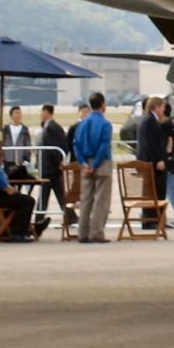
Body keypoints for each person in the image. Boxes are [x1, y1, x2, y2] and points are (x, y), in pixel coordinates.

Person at [72, 92, 113, 243]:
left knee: (86, 199)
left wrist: (83, 163)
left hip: (85, 162)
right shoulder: (105, 124)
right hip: (101, 162)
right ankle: (96, 232)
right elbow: (104, 145)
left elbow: (76, 144)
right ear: (103, 105)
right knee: (101, 200)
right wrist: (95, 164)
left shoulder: (82, 123)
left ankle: (82, 232)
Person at [0, 151, 48, 242]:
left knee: (16, 200)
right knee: (27, 201)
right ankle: (18, 233)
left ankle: (11, 230)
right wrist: (6, 187)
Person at [135, 96, 168, 230]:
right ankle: (152, 219)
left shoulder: (144, 119)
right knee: (155, 192)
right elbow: (151, 143)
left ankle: (149, 219)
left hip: (144, 161)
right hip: (151, 163)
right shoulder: (150, 121)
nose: (164, 110)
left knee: (149, 192)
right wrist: (158, 159)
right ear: (156, 107)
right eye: (162, 107)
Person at [36, 104, 68, 223]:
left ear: (46, 112)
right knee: (59, 194)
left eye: (41, 112)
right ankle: (70, 216)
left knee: (44, 194)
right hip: (54, 167)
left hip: (49, 167)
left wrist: (58, 161)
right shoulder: (55, 127)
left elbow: (52, 148)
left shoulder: (50, 128)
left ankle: (39, 218)